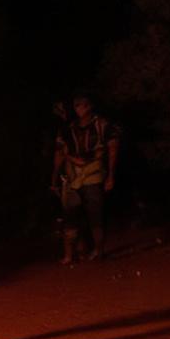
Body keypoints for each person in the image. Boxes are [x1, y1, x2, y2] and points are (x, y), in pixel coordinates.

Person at [52, 92, 119, 264]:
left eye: (82, 104)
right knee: (72, 214)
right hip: (71, 175)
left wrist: (111, 175)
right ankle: (76, 253)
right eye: (76, 105)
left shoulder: (103, 125)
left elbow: (112, 150)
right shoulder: (68, 129)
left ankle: (99, 251)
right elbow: (59, 154)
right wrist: (54, 180)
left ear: (89, 106)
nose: (79, 108)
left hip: (93, 172)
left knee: (95, 213)